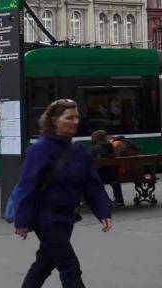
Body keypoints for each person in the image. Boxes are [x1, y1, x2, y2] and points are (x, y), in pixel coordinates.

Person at [13, 98, 112, 288]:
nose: (75, 122)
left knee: (44, 264)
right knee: (70, 266)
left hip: (66, 216)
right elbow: (27, 186)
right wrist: (22, 220)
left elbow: (91, 183)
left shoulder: (78, 150)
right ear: (53, 120)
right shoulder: (39, 150)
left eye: (76, 117)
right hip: (45, 217)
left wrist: (103, 211)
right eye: (69, 118)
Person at [87, 130, 124, 207]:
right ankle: (119, 200)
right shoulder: (111, 147)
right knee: (114, 180)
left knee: (88, 180)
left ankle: (106, 200)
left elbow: (87, 160)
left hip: (100, 175)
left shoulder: (93, 148)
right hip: (113, 175)